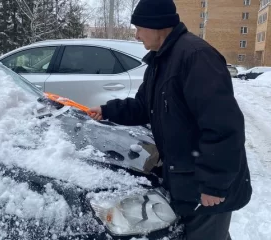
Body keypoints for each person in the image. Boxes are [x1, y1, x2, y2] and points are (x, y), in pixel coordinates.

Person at [88, 0, 252, 239]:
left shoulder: (196, 57)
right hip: (186, 178)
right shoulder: (160, 61)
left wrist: (214, 185)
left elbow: (223, 126)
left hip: (205, 185)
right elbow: (144, 106)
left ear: (157, 25)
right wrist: (107, 110)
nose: (136, 36)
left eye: (139, 28)